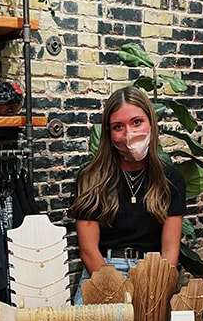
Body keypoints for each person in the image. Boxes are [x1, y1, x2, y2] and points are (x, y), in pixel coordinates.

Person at [70, 85, 187, 304]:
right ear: (109, 134)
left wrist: (156, 289)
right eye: (118, 127)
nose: (128, 135)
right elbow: (88, 250)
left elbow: (170, 250)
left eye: (136, 122)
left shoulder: (171, 179)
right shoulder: (90, 178)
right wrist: (114, 292)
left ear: (151, 123)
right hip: (102, 269)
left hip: (151, 272)